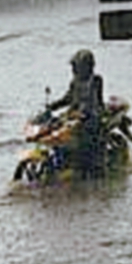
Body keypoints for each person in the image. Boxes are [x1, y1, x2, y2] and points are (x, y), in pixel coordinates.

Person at [47, 48, 106, 179]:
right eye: (73, 66)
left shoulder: (96, 80)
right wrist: (52, 106)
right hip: (76, 115)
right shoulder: (75, 82)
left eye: (76, 66)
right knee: (55, 127)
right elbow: (68, 98)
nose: (73, 69)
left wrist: (82, 112)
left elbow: (92, 100)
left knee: (88, 141)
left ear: (87, 67)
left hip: (92, 115)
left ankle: (92, 165)